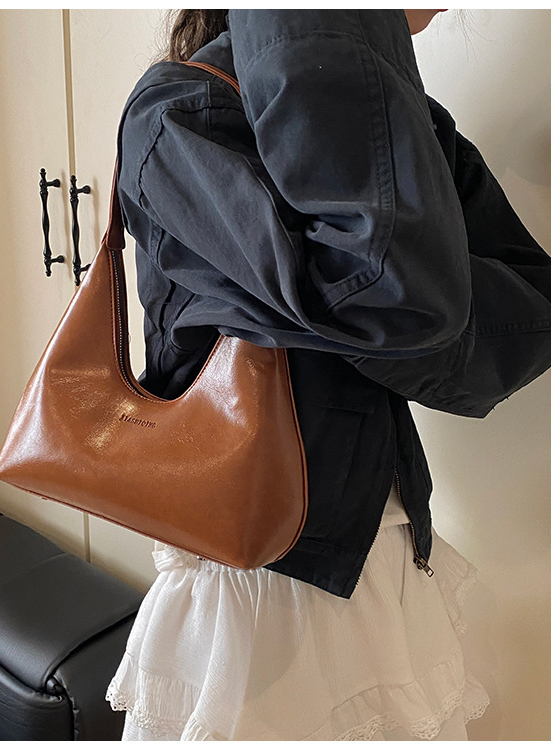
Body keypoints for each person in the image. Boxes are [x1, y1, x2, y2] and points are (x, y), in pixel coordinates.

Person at [104, 9, 550, 741]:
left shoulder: (414, 123)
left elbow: (522, 317)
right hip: (261, 570)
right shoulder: (182, 109)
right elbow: (392, 301)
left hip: (380, 536)